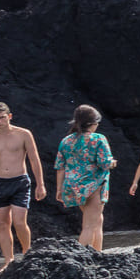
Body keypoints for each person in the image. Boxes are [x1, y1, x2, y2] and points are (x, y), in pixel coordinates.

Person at [0, 102, 48, 270]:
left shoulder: (24, 134)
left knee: (19, 222)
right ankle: (9, 260)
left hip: (20, 181)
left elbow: (34, 159)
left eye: (2, 118)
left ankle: (27, 253)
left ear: (9, 116)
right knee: (2, 222)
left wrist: (40, 184)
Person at [55, 105, 115, 250]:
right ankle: (80, 259)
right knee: (88, 225)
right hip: (95, 185)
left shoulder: (66, 141)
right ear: (93, 123)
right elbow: (104, 163)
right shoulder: (98, 139)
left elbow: (60, 166)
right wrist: (113, 163)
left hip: (74, 186)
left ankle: (98, 253)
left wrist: (59, 189)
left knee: (97, 221)